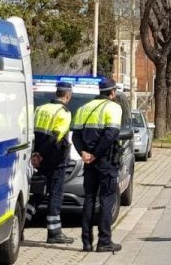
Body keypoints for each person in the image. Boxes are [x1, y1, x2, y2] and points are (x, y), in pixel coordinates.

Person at [72, 78, 123, 253]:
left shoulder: (83, 108)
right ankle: (104, 241)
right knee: (106, 200)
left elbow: (75, 136)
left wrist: (84, 153)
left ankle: (86, 242)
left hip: (89, 162)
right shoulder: (114, 108)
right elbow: (110, 135)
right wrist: (95, 154)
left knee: (89, 199)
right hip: (105, 161)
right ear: (113, 92)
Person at [26, 82, 74, 244]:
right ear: (67, 95)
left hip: (38, 159)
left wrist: (35, 154)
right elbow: (55, 138)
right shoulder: (64, 112)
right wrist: (42, 154)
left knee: (38, 193)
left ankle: (21, 224)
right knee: (55, 194)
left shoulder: (40, 109)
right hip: (55, 160)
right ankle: (54, 233)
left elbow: (33, 133)